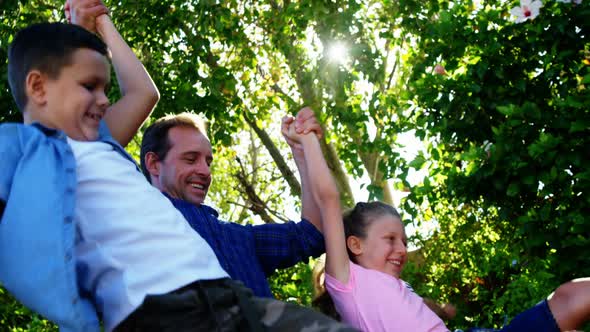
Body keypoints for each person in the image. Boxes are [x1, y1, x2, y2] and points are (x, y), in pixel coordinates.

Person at [0, 2, 355, 332]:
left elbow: (143, 92)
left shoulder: (101, 143)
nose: (106, 99)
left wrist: (99, 22)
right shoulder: (30, 153)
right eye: (90, 86)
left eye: (105, 87)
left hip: (232, 303)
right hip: (164, 313)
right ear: (38, 86)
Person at [282, 120, 590, 331]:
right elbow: (329, 200)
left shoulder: (397, 287)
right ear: (355, 244)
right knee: (571, 298)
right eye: (390, 238)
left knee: (570, 298)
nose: (401, 249)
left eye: (403, 240)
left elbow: (420, 308)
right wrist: (307, 142)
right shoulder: (348, 284)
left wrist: (443, 309)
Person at [139, 107, 325, 298]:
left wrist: (303, 155)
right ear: (154, 164)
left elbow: (311, 234)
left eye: (208, 162)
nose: (205, 171)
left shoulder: (239, 238)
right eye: (190, 159)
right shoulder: (136, 226)